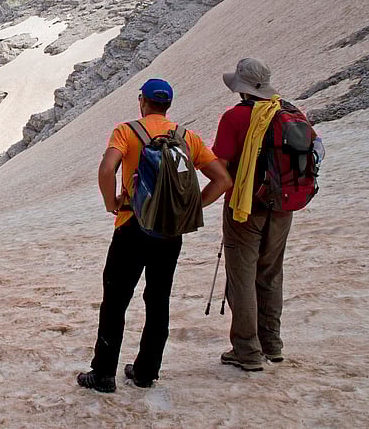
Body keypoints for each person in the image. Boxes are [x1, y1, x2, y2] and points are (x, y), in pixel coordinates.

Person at [78, 79, 232, 393]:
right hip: (169, 231)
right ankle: (146, 372)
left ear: (142, 102)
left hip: (132, 225)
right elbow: (222, 179)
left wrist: (112, 203)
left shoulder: (126, 131)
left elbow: (107, 169)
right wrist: (188, 207)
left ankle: (104, 373)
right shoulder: (187, 137)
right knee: (158, 299)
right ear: (168, 105)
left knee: (116, 300)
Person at [213, 58, 323, 371]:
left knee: (242, 278)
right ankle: (272, 344)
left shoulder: (235, 118)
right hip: (283, 204)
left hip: (245, 208)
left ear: (241, 89)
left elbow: (218, 162)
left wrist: (237, 183)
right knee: (271, 273)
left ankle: (247, 351)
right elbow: (315, 150)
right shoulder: (289, 111)